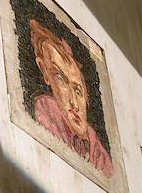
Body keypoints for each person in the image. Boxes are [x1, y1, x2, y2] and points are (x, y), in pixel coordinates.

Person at [27, 19, 114, 176]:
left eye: (78, 91)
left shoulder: (97, 148)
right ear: (45, 73)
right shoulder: (47, 109)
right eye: (60, 78)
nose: (74, 103)